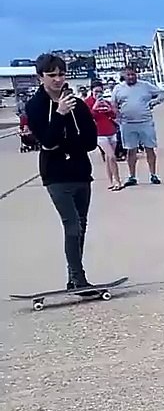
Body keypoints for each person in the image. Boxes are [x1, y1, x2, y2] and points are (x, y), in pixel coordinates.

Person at [24, 53, 99, 290]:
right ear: (40, 78)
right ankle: (79, 278)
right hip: (55, 174)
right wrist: (59, 114)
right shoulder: (35, 106)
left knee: (81, 225)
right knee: (72, 224)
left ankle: (73, 278)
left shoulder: (76, 103)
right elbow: (46, 141)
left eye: (61, 74)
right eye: (51, 75)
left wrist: (65, 144)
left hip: (80, 171)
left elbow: (90, 141)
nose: (57, 80)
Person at [111, 65, 164, 186]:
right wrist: (117, 114)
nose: (130, 77)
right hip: (127, 123)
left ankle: (153, 175)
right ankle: (132, 176)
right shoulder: (118, 88)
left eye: (133, 74)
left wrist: (153, 102)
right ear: (123, 76)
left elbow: (162, 93)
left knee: (149, 148)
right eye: (128, 75)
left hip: (145, 122)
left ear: (136, 74)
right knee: (131, 150)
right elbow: (113, 103)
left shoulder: (145, 85)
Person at [85, 80, 123, 191]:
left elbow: (113, 115)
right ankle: (118, 181)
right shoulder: (87, 102)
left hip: (110, 130)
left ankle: (111, 181)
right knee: (111, 156)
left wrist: (108, 108)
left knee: (108, 158)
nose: (98, 94)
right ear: (91, 91)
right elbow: (88, 116)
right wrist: (95, 106)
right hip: (98, 133)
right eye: (96, 91)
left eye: (100, 91)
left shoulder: (106, 101)